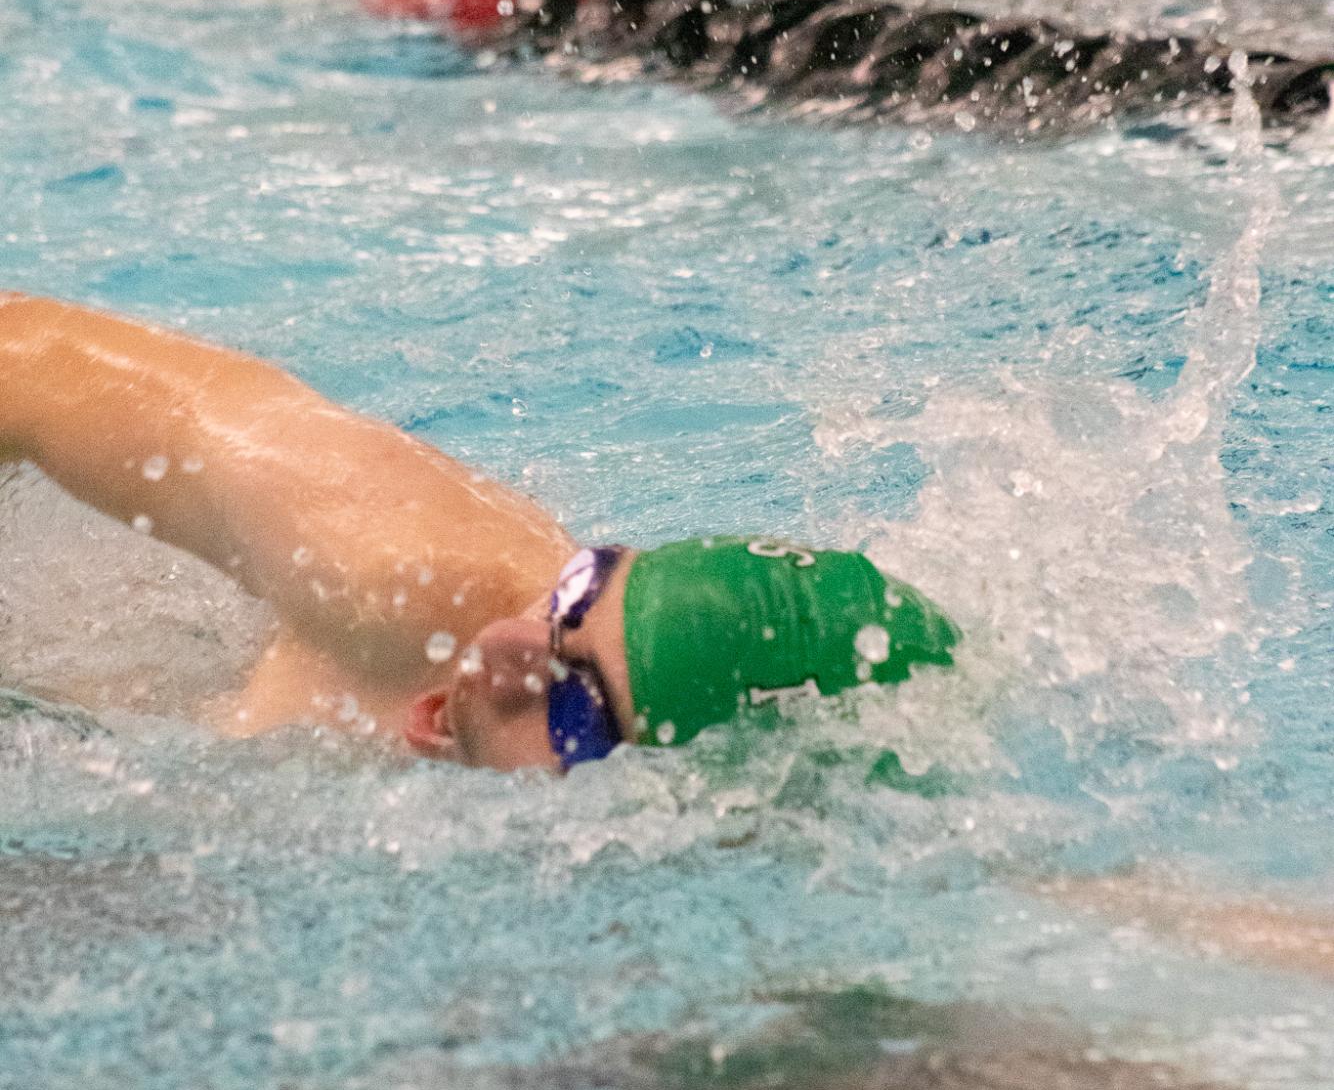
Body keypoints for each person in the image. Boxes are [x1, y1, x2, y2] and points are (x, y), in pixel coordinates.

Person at [0, 292, 958, 772]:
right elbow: (36, 361)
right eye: (573, 596)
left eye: (574, 705)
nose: (502, 650)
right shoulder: (393, 569)